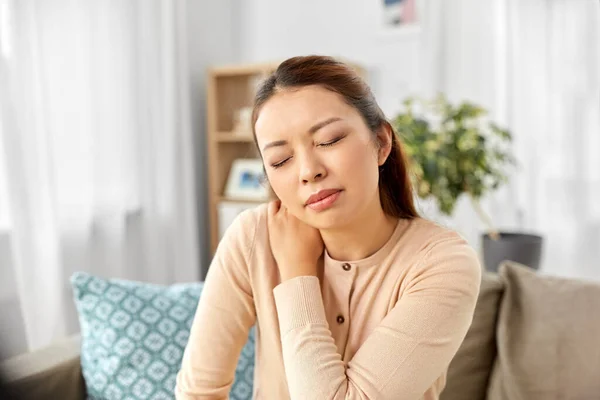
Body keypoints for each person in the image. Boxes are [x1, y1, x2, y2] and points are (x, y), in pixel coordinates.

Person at [175, 55, 481, 400]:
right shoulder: (252, 236)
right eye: (281, 160)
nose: (308, 170)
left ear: (381, 142)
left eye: (329, 140)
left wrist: (296, 272)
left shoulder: (442, 263)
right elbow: (197, 392)